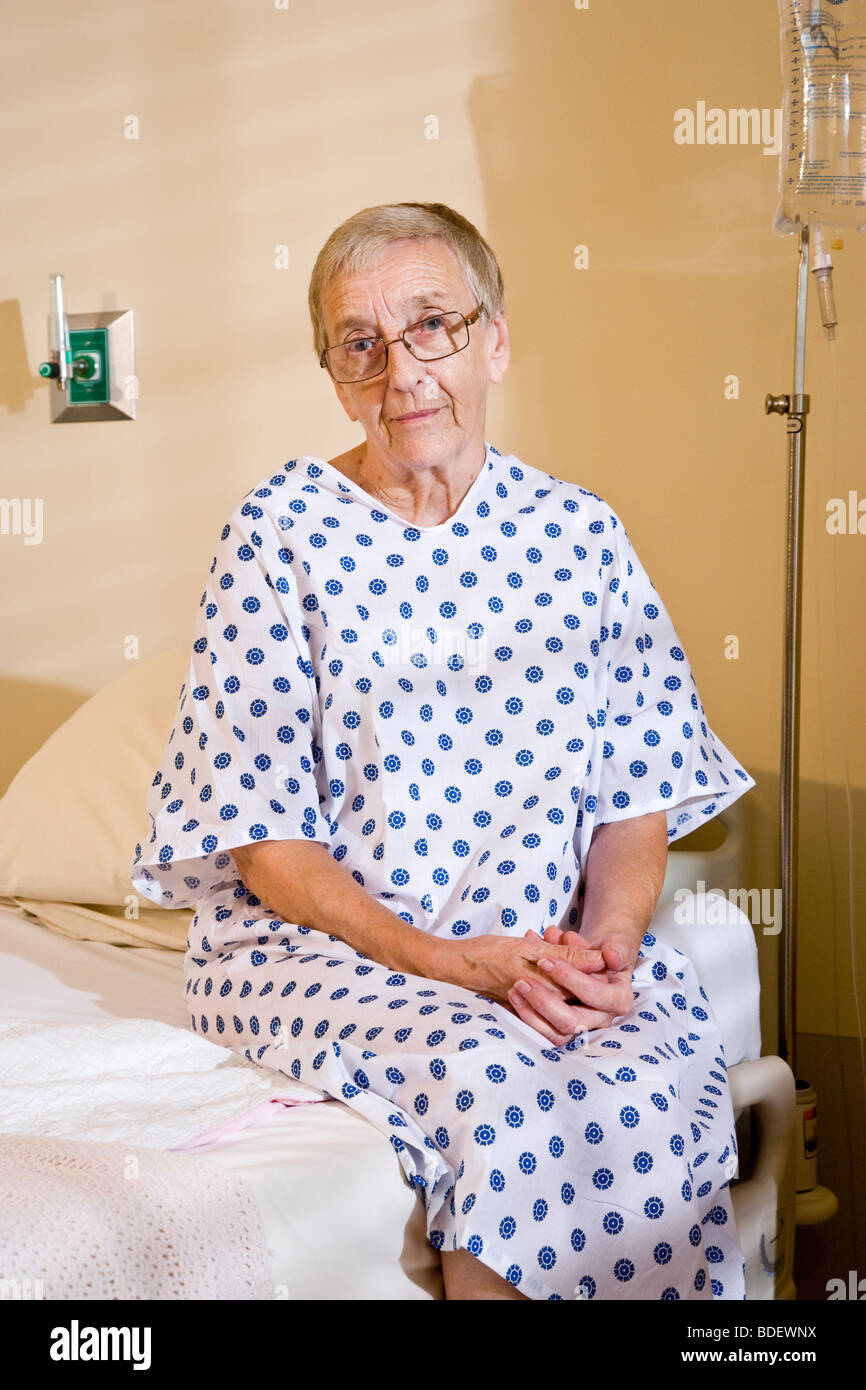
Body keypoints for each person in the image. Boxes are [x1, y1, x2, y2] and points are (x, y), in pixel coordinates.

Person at [131, 201, 757, 1301]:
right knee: (494, 1083)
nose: (402, 370)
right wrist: (453, 963)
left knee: (646, 1084)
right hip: (321, 953)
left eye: (432, 325)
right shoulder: (278, 535)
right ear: (335, 379)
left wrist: (605, 953)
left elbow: (637, 790)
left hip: (545, 946)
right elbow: (269, 849)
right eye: (360, 343)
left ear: (494, 341)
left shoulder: (580, 534)